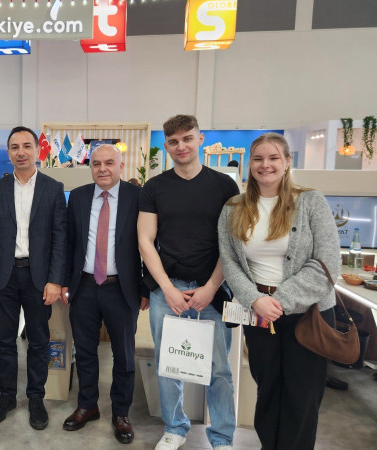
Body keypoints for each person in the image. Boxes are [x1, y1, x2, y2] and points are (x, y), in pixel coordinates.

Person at [218, 132, 340, 450]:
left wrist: (280, 300)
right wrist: (256, 299)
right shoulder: (233, 207)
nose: (265, 165)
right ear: (250, 164)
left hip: (310, 315)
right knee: (268, 389)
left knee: (303, 395)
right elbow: (230, 262)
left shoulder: (311, 201)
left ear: (287, 162)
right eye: (258, 158)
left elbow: (328, 263)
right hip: (259, 315)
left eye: (274, 158)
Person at [137, 115, 238, 450]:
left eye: (187, 139)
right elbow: (145, 241)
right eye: (173, 141)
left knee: (219, 369)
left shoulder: (224, 186)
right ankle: (175, 428)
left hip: (213, 289)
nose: (181, 146)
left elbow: (231, 242)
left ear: (200, 139)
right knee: (169, 364)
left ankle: (222, 437)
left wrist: (211, 287)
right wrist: (167, 289)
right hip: (168, 291)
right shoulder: (154, 188)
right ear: (166, 146)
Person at [0, 126, 67, 430]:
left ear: (37, 150)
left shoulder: (53, 188)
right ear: (8, 153)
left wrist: (55, 280)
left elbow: (60, 238)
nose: (21, 152)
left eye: (27, 146)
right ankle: (6, 396)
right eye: (15, 147)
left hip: (38, 277)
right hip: (3, 277)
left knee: (39, 341)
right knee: (4, 340)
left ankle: (35, 398)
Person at [61, 144, 147, 444]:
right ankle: (88, 405)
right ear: (90, 168)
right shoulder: (79, 197)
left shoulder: (138, 197)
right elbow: (69, 242)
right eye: (96, 163)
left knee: (123, 356)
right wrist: (64, 282)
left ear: (121, 166)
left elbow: (151, 244)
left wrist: (146, 287)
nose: (102, 169)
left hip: (122, 289)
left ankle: (121, 413)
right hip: (84, 286)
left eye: (109, 163)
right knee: (85, 351)